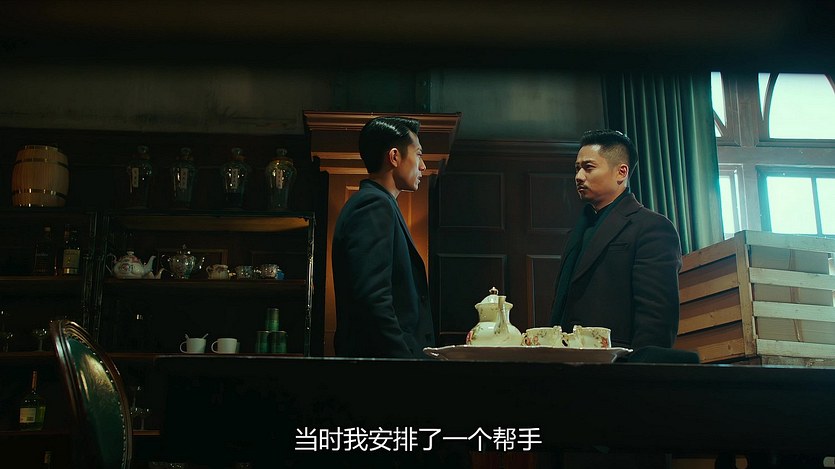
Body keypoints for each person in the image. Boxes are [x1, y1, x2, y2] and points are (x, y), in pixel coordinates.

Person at [549, 129, 682, 350]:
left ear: (621, 172)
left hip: (618, 361)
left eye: (588, 168)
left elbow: (657, 318)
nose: (579, 176)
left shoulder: (652, 227)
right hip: (567, 358)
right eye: (577, 168)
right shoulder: (577, 232)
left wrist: (641, 366)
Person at [332, 116, 435, 359]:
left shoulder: (378, 203)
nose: (423, 166)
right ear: (394, 156)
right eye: (418, 154)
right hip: (384, 367)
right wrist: (404, 360)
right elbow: (373, 299)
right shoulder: (373, 205)